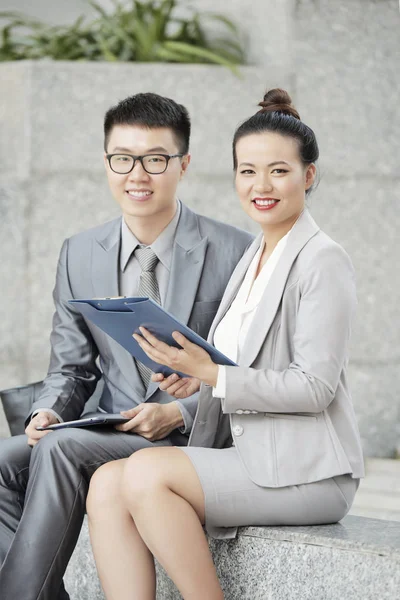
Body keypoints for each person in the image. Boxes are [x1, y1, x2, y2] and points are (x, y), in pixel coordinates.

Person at [87, 88, 365, 600]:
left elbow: (314, 388)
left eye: (278, 171)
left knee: (147, 472)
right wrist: (196, 377)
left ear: (308, 176)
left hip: (309, 472)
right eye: (247, 171)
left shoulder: (322, 259)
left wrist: (214, 374)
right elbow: (240, 371)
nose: (261, 185)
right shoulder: (253, 257)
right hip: (253, 456)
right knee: (106, 482)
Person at [0, 92, 253, 600]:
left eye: (155, 159)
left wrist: (178, 412)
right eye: (123, 159)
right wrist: (48, 410)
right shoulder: (78, 252)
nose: (137, 174)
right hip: (106, 426)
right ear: (106, 162)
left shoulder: (234, 251)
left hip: (191, 437)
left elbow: (248, 371)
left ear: (183, 163)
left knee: (62, 446)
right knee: (16, 455)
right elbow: (70, 368)